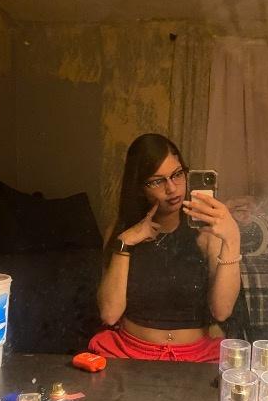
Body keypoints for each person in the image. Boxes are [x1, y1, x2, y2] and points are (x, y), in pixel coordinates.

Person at [89, 133, 242, 361]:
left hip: (197, 354)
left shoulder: (208, 234)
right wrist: (125, 242)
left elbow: (222, 311)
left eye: (177, 174)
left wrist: (232, 238)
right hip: (129, 351)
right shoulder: (121, 232)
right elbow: (110, 314)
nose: (172, 188)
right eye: (157, 181)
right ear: (139, 187)